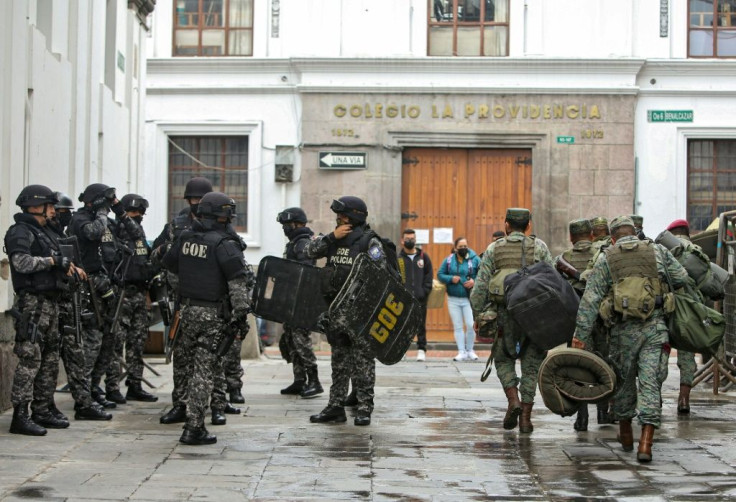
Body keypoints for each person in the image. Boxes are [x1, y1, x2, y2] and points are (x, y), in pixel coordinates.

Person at [571, 216, 689, 462]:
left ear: (612, 238)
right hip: (655, 328)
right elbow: (681, 278)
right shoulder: (657, 252)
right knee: (650, 383)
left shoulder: (607, 257)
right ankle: (645, 443)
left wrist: (579, 337)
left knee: (623, 383)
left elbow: (590, 301)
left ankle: (625, 431)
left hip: (622, 331)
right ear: (636, 233)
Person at [162, 192, 252, 445]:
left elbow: (171, 268)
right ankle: (194, 427)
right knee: (204, 371)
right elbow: (237, 284)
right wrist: (240, 316)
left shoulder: (185, 238)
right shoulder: (224, 244)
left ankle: (186, 411)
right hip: (212, 316)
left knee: (188, 368)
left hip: (187, 312)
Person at [307, 196, 389, 426]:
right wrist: (332, 237)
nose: (338, 218)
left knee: (363, 362)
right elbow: (310, 251)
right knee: (339, 362)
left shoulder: (369, 242)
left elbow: (379, 273)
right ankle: (335, 406)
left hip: (359, 313)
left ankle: (364, 408)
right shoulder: (334, 239)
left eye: (342, 215)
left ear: (354, 215)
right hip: (335, 311)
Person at [470, 208, 552, 433]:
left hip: (503, 315)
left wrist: (479, 315)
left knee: (503, 359)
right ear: (528, 226)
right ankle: (525, 417)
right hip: (533, 317)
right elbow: (553, 282)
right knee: (531, 366)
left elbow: (480, 287)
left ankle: (512, 399)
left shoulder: (494, 249)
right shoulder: (540, 248)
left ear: (506, 225)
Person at [4, 186, 76, 434]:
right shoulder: (20, 232)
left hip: (50, 302)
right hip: (32, 304)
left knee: (50, 358)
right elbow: (20, 263)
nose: (54, 210)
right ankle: (20, 416)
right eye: (50, 206)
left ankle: (42, 409)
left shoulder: (45, 232)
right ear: (36, 206)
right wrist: (52, 261)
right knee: (30, 358)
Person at [67, 183, 133, 410]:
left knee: (109, 338)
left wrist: (118, 208)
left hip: (105, 284)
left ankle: (95, 387)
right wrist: (104, 212)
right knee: (92, 341)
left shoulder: (107, 221)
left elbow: (135, 233)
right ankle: (83, 397)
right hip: (88, 286)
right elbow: (92, 232)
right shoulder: (80, 219)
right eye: (104, 201)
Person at [47, 193, 111, 421]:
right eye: (59, 211)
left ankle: (83, 403)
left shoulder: (57, 234)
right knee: (49, 359)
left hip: (69, 299)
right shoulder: (38, 234)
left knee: (75, 352)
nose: (62, 215)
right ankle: (43, 406)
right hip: (49, 303)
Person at [554, 218, 611, 431]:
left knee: (577, 366)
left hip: (575, 320)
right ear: (591, 235)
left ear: (571, 237)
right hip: (602, 319)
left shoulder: (563, 259)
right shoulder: (603, 254)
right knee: (603, 363)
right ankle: (603, 412)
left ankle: (582, 416)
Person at [663, 218, 724, 414]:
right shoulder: (698, 253)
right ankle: (684, 400)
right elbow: (710, 286)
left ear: (671, 233)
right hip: (691, 313)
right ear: (687, 232)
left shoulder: (664, 251)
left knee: (660, 353)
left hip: (666, 309)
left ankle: (655, 398)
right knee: (687, 355)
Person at [104, 194, 158, 403]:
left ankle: (135, 384)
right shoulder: (115, 231)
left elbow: (146, 262)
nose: (139, 216)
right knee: (116, 343)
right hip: (121, 295)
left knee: (137, 343)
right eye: (135, 212)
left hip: (139, 294)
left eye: (142, 213)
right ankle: (112, 387)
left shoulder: (139, 235)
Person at [276, 207, 322, 398]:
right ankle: (299, 379)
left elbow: (305, 272)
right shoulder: (295, 243)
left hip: (301, 302)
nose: (285, 229)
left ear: (297, 224)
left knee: (301, 341)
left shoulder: (302, 243)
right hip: (292, 300)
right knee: (291, 340)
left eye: (287, 225)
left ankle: (314, 380)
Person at [438, 237, 480, 361]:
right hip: (453, 298)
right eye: (460, 247)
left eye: (465, 246)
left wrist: (474, 281)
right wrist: (451, 279)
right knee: (457, 325)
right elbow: (440, 274)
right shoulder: (449, 260)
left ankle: (470, 350)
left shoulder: (475, 259)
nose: (463, 249)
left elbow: (483, 274)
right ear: (456, 248)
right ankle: (461, 351)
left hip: (468, 298)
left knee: (470, 324)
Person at [398, 229, 433, 362]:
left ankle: (421, 349)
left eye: (412, 239)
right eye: (407, 239)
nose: (410, 241)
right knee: (403, 325)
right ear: (402, 241)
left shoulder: (424, 257)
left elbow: (429, 276)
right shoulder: (398, 259)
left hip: (420, 299)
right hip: (404, 300)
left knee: (420, 324)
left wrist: (424, 291)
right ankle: (403, 349)